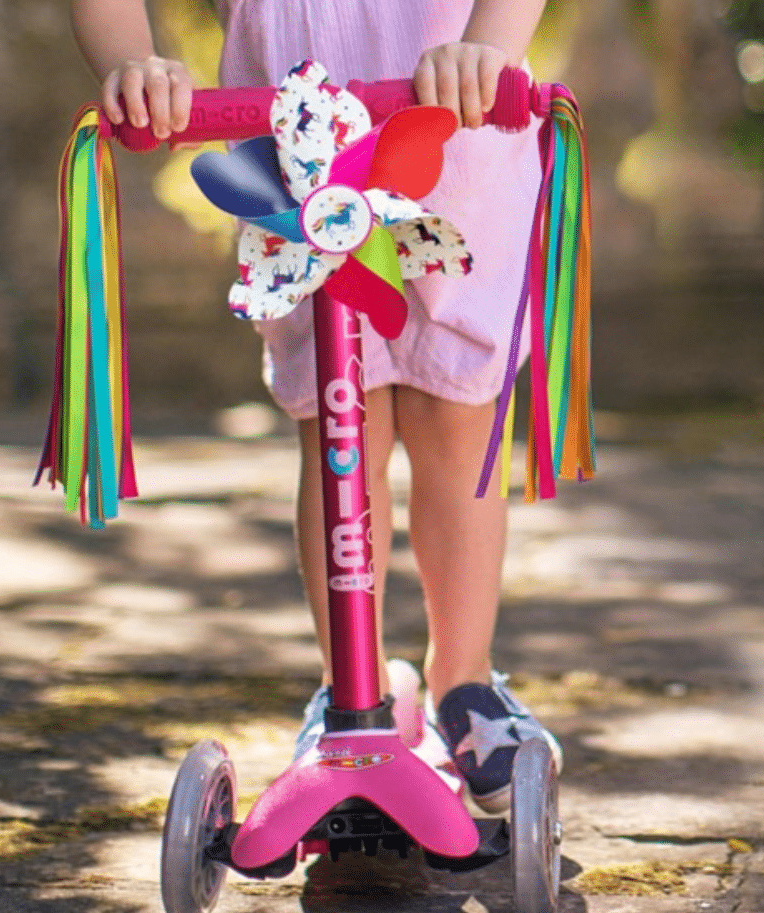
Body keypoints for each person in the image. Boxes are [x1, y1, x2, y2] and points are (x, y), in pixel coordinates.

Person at [70, 0, 562, 815]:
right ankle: (350, 693)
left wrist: (488, 48)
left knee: (455, 422)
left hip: (458, 148)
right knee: (341, 426)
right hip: (299, 183)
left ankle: (464, 681)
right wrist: (134, 63)